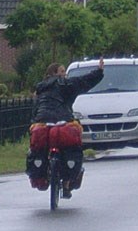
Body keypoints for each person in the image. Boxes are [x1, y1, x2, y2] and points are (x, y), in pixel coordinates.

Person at [30, 57, 104, 197]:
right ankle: (66, 183)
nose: (65, 74)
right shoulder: (64, 83)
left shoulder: (40, 87)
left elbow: (35, 107)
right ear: (54, 73)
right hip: (62, 118)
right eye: (62, 71)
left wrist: (35, 120)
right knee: (68, 146)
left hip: (42, 120)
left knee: (42, 147)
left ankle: (43, 174)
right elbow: (83, 81)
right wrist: (98, 72)